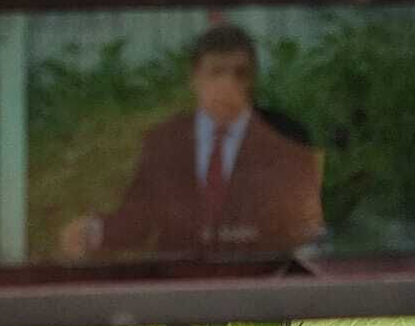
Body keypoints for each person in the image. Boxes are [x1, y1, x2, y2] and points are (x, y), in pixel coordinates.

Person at [59, 23, 324, 261]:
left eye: (239, 73)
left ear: (252, 79)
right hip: (181, 288)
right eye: (216, 73)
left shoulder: (285, 137)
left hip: (258, 288)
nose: (227, 84)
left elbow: (302, 225)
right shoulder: (164, 140)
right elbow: (138, 217)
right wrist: (92, 232)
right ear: (195, 79)